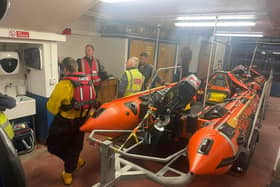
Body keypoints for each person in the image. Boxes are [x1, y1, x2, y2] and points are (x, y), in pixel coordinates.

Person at [46, 57, 96, 185]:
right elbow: (93, 99)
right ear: (77, 68)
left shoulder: (64, 84)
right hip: (82, 121)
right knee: (75, 147)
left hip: (65, 122)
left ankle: (73, 163)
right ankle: (70, 171)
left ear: (65, 69)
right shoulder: (88, 82)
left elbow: (51, 108)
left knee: (52, 145)